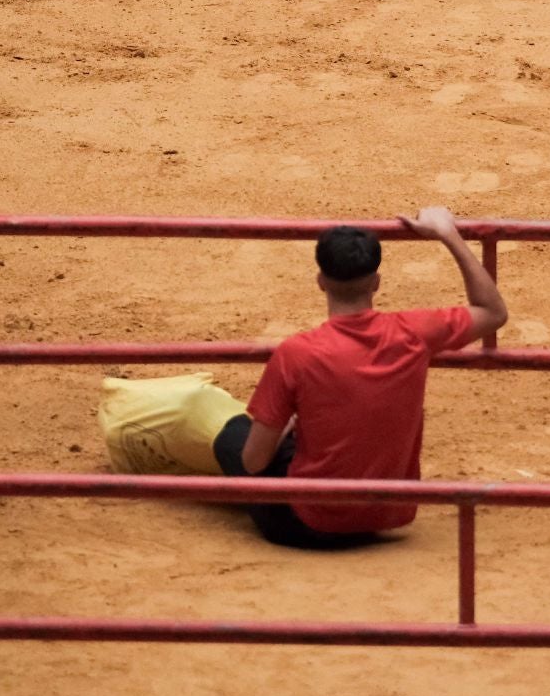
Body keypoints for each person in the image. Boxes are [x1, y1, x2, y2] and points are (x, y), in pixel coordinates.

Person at [210, 207, 508, 549]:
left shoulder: (296, 353)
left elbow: (253, 462)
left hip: (308, 524)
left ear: (321, 282)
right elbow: (493, 311)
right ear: (376, 282)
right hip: (386, 515)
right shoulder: (414, 333)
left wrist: (288, 424)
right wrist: (448, 234)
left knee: (233, 436)